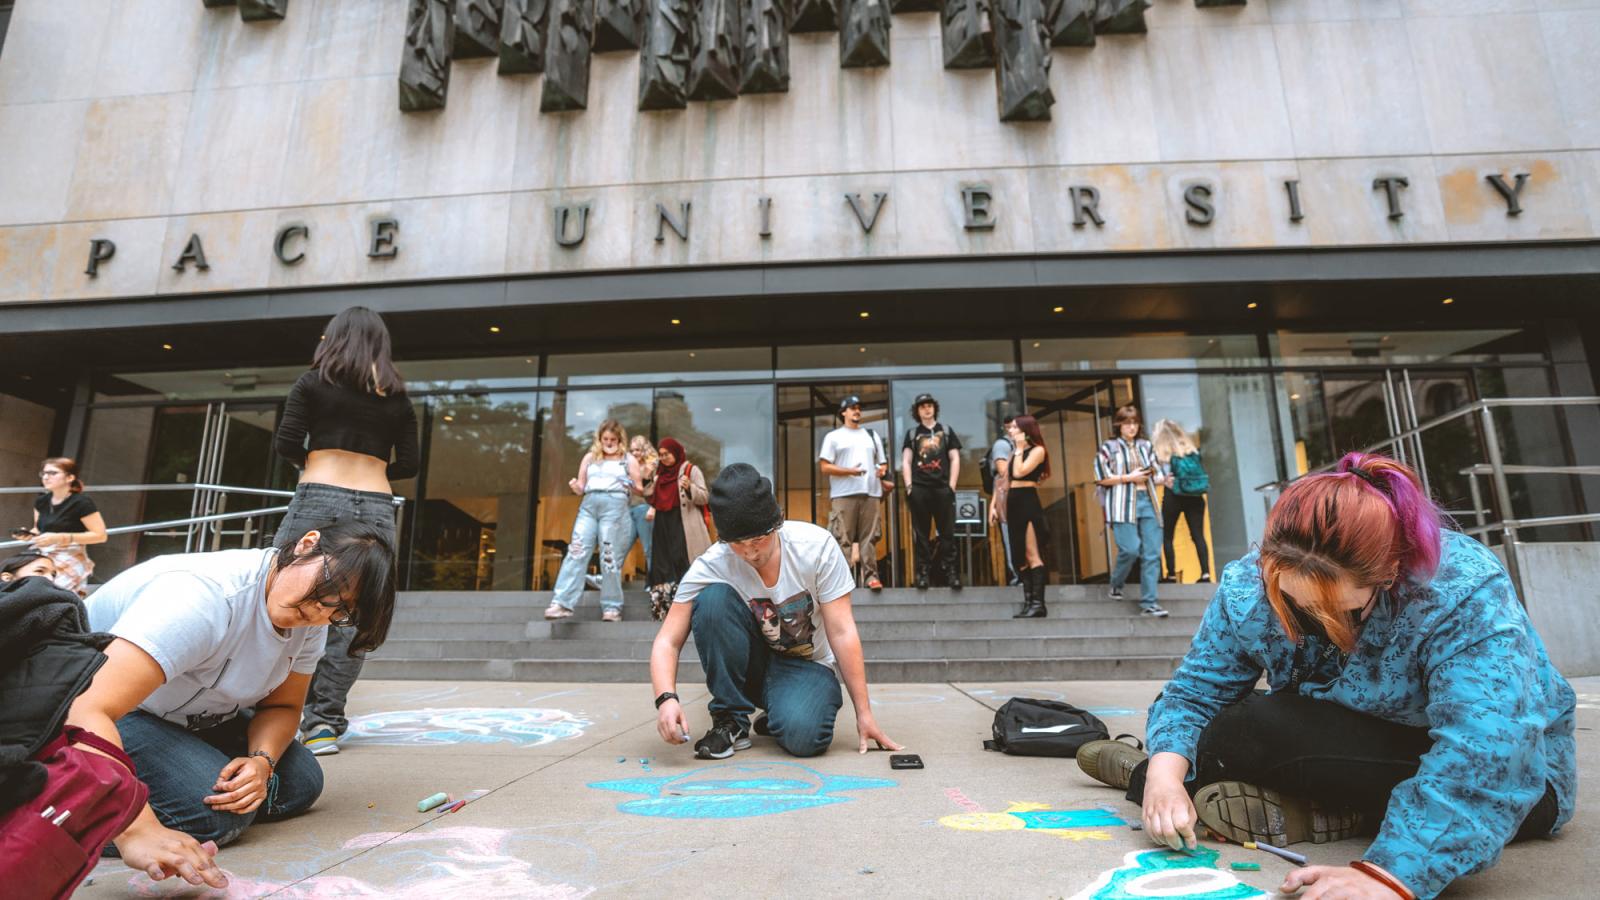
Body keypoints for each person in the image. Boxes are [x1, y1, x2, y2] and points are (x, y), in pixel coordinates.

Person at [1074, 454, 1576, 900]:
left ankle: (1320, 811)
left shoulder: (1460, 588)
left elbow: (1488, 749)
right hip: (1346, 740)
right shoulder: (1250, 583)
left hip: (1512, 776)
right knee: (1239, 728)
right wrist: (1166, 776)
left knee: (1230, 745)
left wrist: (1388, 875)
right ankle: (1170, 774)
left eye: (1333, 606)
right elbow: (1197, 691)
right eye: (1292, 599)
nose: (1310, 615)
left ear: (1387, 574)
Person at [69, 520, 396, 888]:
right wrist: (135, 829)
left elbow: (283, 708)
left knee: (298, 780)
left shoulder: (311, 619)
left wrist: (261, 761)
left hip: (181, 714)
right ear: (307, 544)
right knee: (210, 816)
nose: (319, 613)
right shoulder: (204, 597)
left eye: (340, 612)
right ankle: (54, 814)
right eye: (326, 592)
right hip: (94, 711)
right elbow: (86, 708)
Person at [649, 463, 902, 760]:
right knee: (712, 600)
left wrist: (865, 713)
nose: (751, 552)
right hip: (753, 664)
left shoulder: (816, 548)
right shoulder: (713, 563)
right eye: (738, 545)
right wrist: (666, 699)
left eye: (758, 539)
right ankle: (731, 719)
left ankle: (784, 708)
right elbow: (668, 640)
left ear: (777, 522)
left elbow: (842, 630)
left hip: (809, 666)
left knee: (806, 740)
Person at [272, 305, 417, 758]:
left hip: (318, 495)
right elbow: (410, 464)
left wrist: (315, 463)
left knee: (278, 592)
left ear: (333, 338)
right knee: (353, 614)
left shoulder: (312, 383)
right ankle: (323, 726)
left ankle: (267, 712)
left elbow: (285, 443)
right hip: (375, 503)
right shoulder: (397, 397)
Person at [545, 419, 644, 622]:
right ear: (599, 439)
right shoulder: (591, 457)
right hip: (589, 505)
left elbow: (639, 488)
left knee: (608, 556)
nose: (609, 443)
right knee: (576, 551)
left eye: (613, 439)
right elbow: (581, 486)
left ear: (620, 439)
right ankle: (562, 602)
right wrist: (575, 487)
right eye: (605, 439)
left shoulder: (628, 459)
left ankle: (611, 606)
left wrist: (628, 482)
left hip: (615, 506)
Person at [1094, 405, 1168, 617]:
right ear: (1119, 425)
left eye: (1135, 423)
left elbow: (1156, 472)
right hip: (1121, 504)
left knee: (1152, 553)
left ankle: (1150, 603)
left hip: (1149, 501)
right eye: (1127, 423)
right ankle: (1116, 583)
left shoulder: (1146, 446)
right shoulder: (1109, 447)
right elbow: (1101, 477)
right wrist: (1128, 478)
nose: (1131, 427)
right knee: (1131, 549)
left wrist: (1163, 478)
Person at [819, 395, 889, 591]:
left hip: (871, 493)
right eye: (852, 408)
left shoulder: (871, 435)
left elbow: (883, 463)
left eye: (858, 407)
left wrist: (882, 470)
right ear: (843, 412)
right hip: (844, 494)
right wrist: (850, 471)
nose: (856, 411)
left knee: (869, 538)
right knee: (843, 538)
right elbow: (824, 467)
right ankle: (843, 581)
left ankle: (871, 577)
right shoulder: (833, 437)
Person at [900, 392, 962, 590]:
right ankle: (923, 573)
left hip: (942, 488)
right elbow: (906, 461)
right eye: (922, 406)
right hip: (920, 489)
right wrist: (909, 486)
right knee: (921, 534)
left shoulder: (946, 431)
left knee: (948, 533)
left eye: (929, 405)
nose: (926, 409)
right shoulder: (912, 434)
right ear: (917, 411)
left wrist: (951, 485)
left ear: (934, 408)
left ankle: (951, 572)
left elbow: (955, 458)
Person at [19, 457, 107, 596]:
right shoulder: (41, 501)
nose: (46, 477)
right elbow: (38, 529)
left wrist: (60, 538)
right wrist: (28, 535)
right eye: (44, 473)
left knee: (51, 594)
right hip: (42, 553)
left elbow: (100, 535)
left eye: (53, 473)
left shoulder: (82, 503)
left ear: (70, 477)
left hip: (70, 554)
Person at [645, 438, 711, 620]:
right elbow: (649, 496)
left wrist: (690, 487)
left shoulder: (691, 470)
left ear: (676, 452)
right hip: (662, 525)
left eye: (667, 454)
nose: (663, 458)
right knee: (662, 567)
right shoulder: (659, 474)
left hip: (683, 524)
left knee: (683, 562)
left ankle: (689, 611)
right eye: (660, 455)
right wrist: (647, 477)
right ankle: (664, 612)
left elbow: (705, 497)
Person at [1152, 418, 1212, 584]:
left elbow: (1166, 478)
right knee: (1198, 535)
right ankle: (1206, 574)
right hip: (1195, 496)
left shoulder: (1163, 451)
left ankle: (1171, 575)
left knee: (1167, 535)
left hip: (1174, 495)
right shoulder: (1191, 449)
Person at [1005, 415, 1051, 619]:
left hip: (1027, 501)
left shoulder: (1037, 450)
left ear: (1025, 430)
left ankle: (1038, 603)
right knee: (1019, 557)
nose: (1011, 431)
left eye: (1015, 428)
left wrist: (1020, 448)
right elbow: (1006, 479)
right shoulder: (1015, 451)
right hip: (1013, 501)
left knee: (1032, 554)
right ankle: (1028, 602)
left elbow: (1021, 471)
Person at [621, 435, 660, 585]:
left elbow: (659, 490)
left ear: (644, 449)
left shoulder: (653, 466)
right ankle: (607, 581)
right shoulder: (630, 465)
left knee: (648, 549)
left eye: (638, 449)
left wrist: (653, 508)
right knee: (621, 547)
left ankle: (655, 584)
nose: (635, 453)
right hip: (629, 509)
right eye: (632, 450)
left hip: (645, 509)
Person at [986, 415, 1018, 586]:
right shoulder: (1002, 445)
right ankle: (1017, 575)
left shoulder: (1023, 446)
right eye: (1012, 426)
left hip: (1021, 496)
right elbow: (1003, 472)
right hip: (1007, 498)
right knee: (1010, 536)